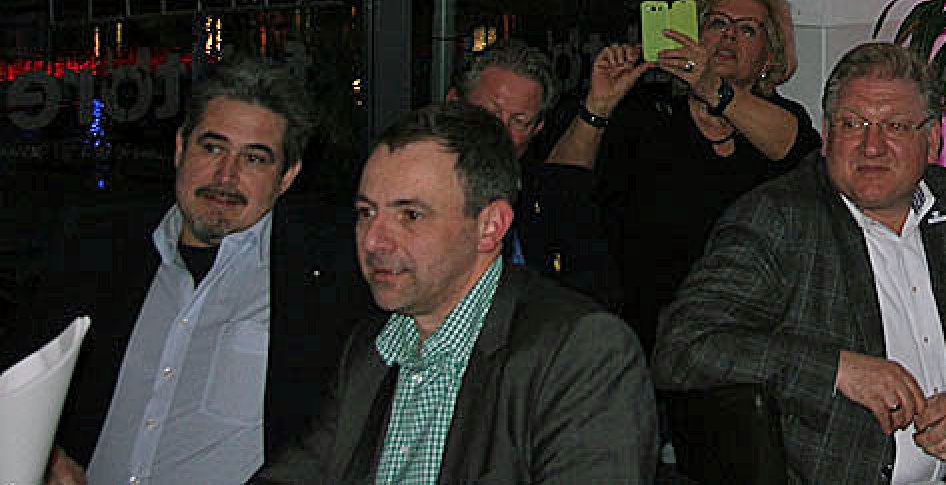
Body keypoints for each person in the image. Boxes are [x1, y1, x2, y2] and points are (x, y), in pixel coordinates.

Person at [653, 41, 946, 485]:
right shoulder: (781, 218)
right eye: (851, 124)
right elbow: (681, 347)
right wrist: (836, 369)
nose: (871, 146)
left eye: (895, 126)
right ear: (826, 136)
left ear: (932, 140)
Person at [256, 102, 656, 483]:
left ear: (490, 227)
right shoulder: (372, 346)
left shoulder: (579, 352)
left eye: (410, 215)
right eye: (366, 212)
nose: (374, 240)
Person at [17, 58, 370, 485]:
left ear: (287, 177)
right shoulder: (99, 250)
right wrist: (47, 453)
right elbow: (21, 374)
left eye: (254, 159)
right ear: (180, 147)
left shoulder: (326, 274)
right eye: (213, 148)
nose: (226, 176)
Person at [596, 0, 821, 352]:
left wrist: (708, 85)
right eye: (717, 23)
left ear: (769, 57)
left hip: (754, 334)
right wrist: (596, 107)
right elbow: (567, 186)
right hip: (650, 333)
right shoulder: (649, 114)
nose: (729, 35)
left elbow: (796, 147)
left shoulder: (783, 122)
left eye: (747, 29)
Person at [448, 39, 635, 303]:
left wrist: (598, 106)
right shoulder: (408, 185)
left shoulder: (539, 202)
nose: (500, 131)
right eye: (489, 113)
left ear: (537, 129)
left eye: (519, 121)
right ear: (454, 104)